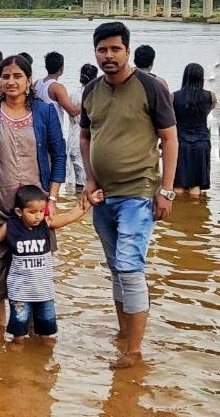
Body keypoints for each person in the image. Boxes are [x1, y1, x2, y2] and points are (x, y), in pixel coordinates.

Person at [80, 21, 177, 368]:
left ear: (127, 50)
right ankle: (124, 334)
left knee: (130, 267)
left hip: (139, 192)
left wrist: (166, 191)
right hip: (104, 196)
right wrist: (89, 181)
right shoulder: (92, 90)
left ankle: (135, 351)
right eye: (102, 49)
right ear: (95, 52)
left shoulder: (150, 87)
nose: (108, 55)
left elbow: (169, 138)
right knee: (115, 268)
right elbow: (86, 136)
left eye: (115, 49)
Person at [0, 54, 66, 331]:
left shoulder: (45, 112)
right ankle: (2, 332)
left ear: (28, 80)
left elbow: (58, 156)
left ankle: (34, 331)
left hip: (35, 208)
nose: (11, 81)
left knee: (36, 270)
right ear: (0, 80)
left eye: (17, 76)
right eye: (6, 76)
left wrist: (53, 200)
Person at [0, 185, 98, 344]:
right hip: (19, 291)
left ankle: (43, 357)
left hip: (44, 291)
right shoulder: (11, 226)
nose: (38, 216)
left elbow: (69, 216)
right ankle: (17, 356)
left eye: (41, 211)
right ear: (19, 212)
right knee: (18, 333)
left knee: (46, 333)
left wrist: (88, 203)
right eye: (32, 212)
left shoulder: (46, 224)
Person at [172, 63, 215, 197]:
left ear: (185, 77)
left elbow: (170, 119)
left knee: (178, 185)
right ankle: (196, 213)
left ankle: (181, 213)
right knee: (195, 187)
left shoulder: (174, 96)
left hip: (180, 142)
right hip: (202, 142)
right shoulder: (211, 96)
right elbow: (207, 112)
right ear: (201, 78)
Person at [66, 64, 98, 193]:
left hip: (73, 139)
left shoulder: (74, 95)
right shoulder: (95, 95)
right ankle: (84, 210)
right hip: (88, 139)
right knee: (89, 180)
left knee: (78, 181)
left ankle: (76, 206)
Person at [34, 51, 82, 131]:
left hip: (39, 130)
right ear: (61, 69)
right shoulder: (57, 88)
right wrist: (87, 101)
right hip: (54, 133)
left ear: (46, 66)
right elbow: (73, 112)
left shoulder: (36, 83)